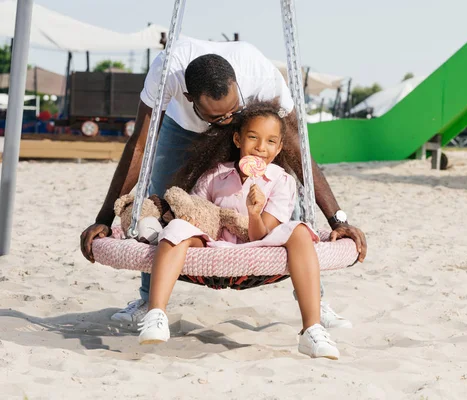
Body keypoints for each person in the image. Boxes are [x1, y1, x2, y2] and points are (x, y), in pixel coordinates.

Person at [79, 37, 367, 326]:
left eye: (231, 109)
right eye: (219, 116)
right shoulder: (166, 72)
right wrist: (104, 218)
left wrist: (338, 220)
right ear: (190, 97)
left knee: (285, 213)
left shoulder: (260, 76)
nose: (227, 119)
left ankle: (315, 301)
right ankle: (148, 299)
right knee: (162, 205)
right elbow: (140, 146)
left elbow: (297, 151)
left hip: (251, 123)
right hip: (181, 127)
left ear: (236, 85)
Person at [138, 101, 339, 359]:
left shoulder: (281, 181)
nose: (260, 147)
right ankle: (156, 313)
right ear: (237, 139)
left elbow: (262, 234)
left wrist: (254, 212)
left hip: (260, 245)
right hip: (213, 243)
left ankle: (312, 329)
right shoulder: (215, 175)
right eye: (253, 138)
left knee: (299, 231)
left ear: (278, 148)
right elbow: (197, 215)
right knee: (176, 228)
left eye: (270, 142)